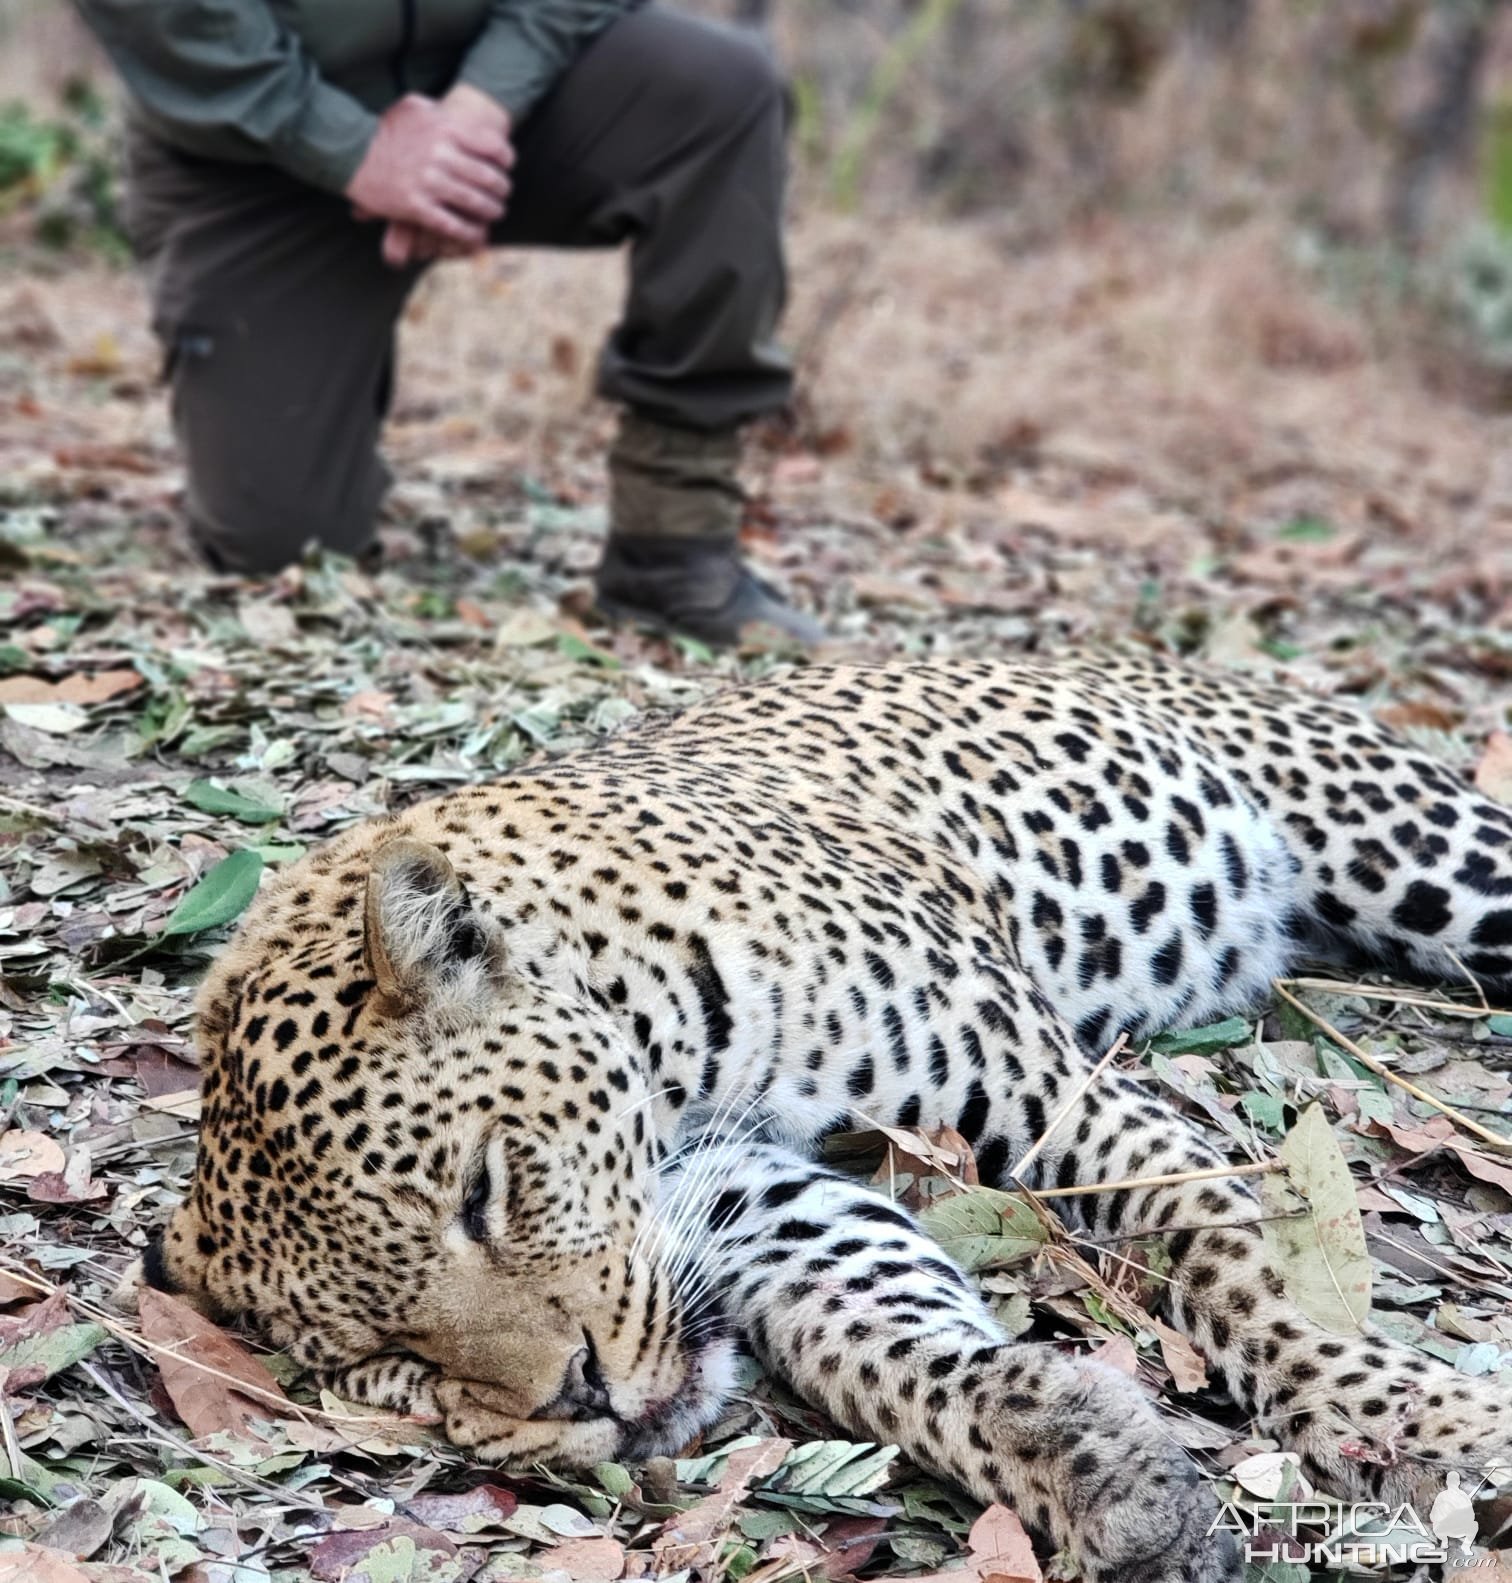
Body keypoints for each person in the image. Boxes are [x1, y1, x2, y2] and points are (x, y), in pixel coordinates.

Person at [75, 0, 822, 647]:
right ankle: (321, 403)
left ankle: (673, 545)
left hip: (499, 100)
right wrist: (354, 151)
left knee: (718, 89)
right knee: (285, 550)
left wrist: (479, 108)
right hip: (252, 145)